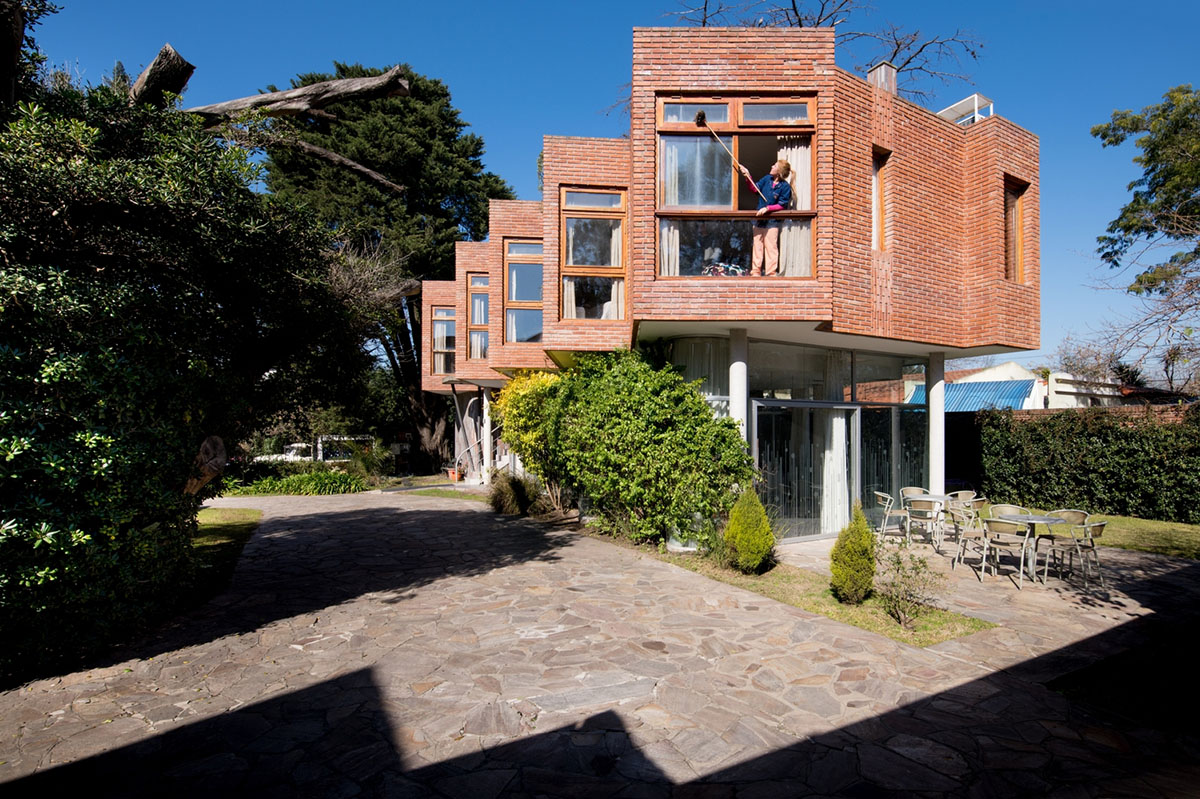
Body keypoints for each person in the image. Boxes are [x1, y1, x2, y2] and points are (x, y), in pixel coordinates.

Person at [738, 160, 792, 276]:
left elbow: (782, 205)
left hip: (772, 222)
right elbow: (754, 189)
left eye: (775, 165)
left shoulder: (785, 187)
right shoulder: (767, 179)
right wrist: (748, 176)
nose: (772, 166)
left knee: (771, 247)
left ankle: (770, 273)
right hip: (759, 220)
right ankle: (756, 272)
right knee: (757, 246)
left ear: (779, 171)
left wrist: (768, 208)